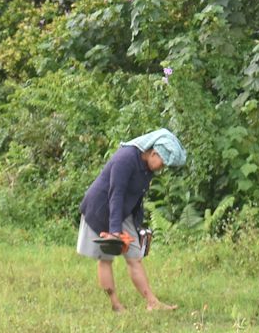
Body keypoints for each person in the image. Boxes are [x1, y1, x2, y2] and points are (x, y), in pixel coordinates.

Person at [78, 127, 186, 311]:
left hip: (122, 211)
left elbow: (136, 196)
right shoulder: (125, 159)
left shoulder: (147, 168)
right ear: (153, 153)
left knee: (135, 257)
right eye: (163, 162)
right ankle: (115, 305)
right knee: (106, 257)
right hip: (100, 209)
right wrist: (114, 233)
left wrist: (136, 225)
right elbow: (116, 195)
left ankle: (153, 303)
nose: (163, 168)